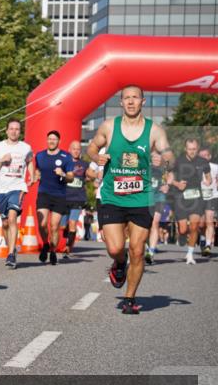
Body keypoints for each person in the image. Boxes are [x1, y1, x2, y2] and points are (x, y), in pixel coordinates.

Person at [87, 85, 175, 314]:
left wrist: (163, 161)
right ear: (121, 102)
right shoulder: (109, 126)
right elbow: (92, 147)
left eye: (135, 97)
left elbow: (169, 154)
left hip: (141, 198)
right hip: (112, 196)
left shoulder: (154, 130)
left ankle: (129, 298)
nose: (131, 101)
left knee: (137, 250)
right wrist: (97, 157)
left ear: (143, 101)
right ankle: (119, 262)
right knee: (115, 247)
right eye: (126, 98)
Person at [0, 118, 35, 269]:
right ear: (6, 131)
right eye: (11, 129)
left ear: (20, 132)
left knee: (13, 218)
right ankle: (11, 249)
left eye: (17, 129)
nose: (14, 131)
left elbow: (30, 161)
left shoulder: (25, 147)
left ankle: (10, 255)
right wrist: (2, 161)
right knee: (5, 223)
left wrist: (32, 175)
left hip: (17, 187)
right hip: (1, 189)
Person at [34, 131, 75, 265]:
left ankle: (53, 251)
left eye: (54, 139)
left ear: (59, 141)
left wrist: (62, 173)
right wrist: (35, 176)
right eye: (50, 139)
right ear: (47, 140)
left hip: (59, 195)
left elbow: (71, 178)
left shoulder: (66, 157)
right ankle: (46, 244)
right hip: (44, 193)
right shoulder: (40, 156)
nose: (51, 141)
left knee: (54, 226)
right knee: (42, 224)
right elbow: (37, 170)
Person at [170, 137, 213, 265]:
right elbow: (168, 177)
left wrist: (208, 181)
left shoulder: (203, 162)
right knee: (183, 229)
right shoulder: (178, 161)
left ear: (197, 148)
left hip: (196, 197)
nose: (192, 151)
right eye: (189, 149)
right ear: (185, 149)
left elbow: (208, 177)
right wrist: (177, 184)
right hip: (181, 198)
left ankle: (190, 254)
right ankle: (182, 235)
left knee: (194, 226)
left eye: (194, 149)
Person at [63, 140, 89, 258]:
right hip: (64, 197)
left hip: (78, 198)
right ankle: (64, 241)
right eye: (74, 149)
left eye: (78, 149)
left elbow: (89, 176)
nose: (76, 151)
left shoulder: (84, 164)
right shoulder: (64, 162)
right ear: (69, 150)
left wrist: (93, 177)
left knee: (72, 223)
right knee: (62, 226)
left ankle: (68, 248)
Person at [146, 150, 171, 265]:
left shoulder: (164, 169)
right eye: (154, 158)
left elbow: (169, 179)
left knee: (155, 223)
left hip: (159, 199)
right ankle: (147, 247)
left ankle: (151, 252)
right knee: (146, 226)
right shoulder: (146, 168)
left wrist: (167, 186)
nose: (156, 160)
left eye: (158, 158)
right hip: (146, 199)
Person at [199, 147, 217, 256]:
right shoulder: (195, 168)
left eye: (205, 155)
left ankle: (208, 245)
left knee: (209, 221)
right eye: (201, 156)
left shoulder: (215, 167)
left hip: (212, 197)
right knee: (201, 224)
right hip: (199, 198)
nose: (203, 158)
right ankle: (202, 239)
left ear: (209, 156)